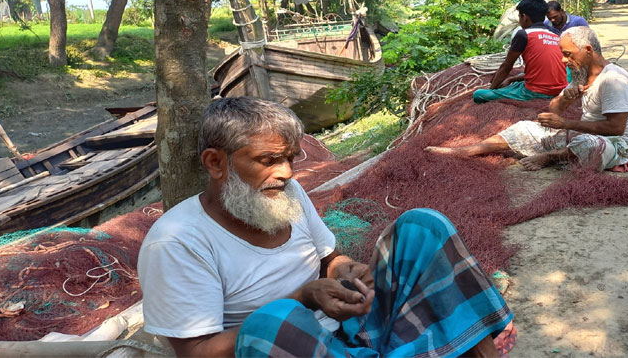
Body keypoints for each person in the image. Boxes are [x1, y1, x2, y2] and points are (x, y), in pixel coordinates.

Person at [138, 97, 512, 357]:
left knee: (423, 226)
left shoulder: (290, 192)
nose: (285, 173)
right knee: (274, 320)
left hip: (348, 329)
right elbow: (197, 353)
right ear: (216, 163)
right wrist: (303, 299)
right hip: (287, 347)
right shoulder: (177, 242)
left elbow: (328, 257)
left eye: (289, 158)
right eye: (268, 160)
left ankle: (478, 348)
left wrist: (344, 269)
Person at [427, 27, 628, 171]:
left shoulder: (613, 79)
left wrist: (566, 124)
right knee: (524, 128)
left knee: (588, 145)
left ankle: (551, 157)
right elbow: (554, 109)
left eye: (568, 54)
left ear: (587, 50)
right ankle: (469, 150)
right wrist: (565, 100)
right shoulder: (581, 74)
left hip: (619, 145)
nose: (563, 59)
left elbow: (616, 128)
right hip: (583, 134)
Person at [472, 0, 567, 104]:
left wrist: (491, 89)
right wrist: (512, 79)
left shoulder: (524, 34)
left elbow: (507, 66)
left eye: (519, 16)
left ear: (525, 17)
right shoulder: (556, 36)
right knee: (520, 82)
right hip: (559, 89)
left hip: (534, 92)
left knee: (478, 94)